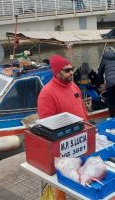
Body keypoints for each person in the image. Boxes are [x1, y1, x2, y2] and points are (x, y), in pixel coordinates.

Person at [37, 55, 88, 200]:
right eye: (66, 70)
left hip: (82, 139)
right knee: (61, 183)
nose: (71, 73)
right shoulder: (46, 94)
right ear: (57, 72)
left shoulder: (73, 85)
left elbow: (81, 107)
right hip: (63, 146)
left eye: (71, 69)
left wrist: (88, 124)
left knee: (82, 174)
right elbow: (46, 125)